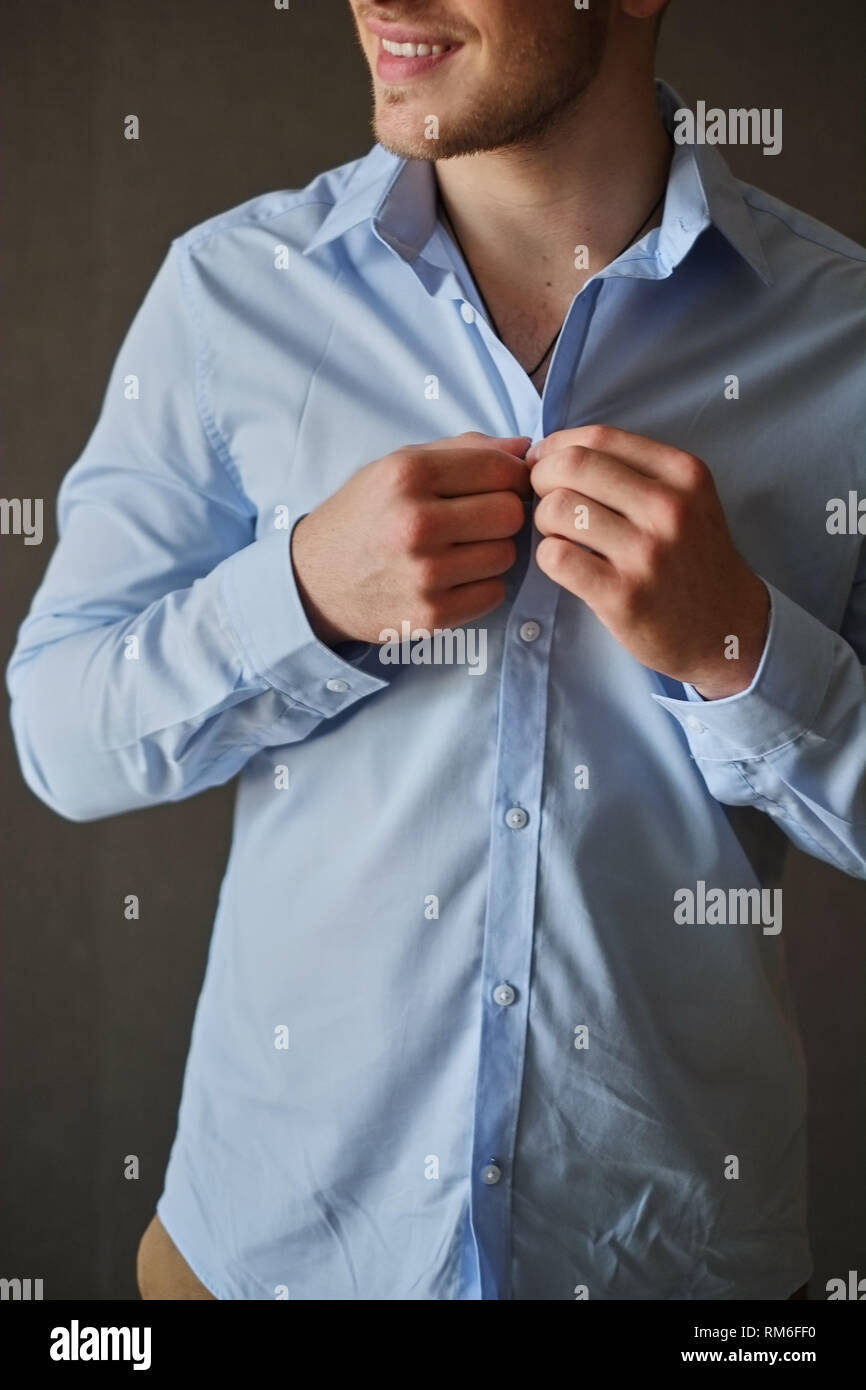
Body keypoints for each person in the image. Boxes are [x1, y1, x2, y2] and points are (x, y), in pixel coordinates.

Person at [7, 0, 865, 1301]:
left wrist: (737, 649)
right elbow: (62, 736)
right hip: (266, 1264)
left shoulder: (841, 339)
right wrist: (303, 598)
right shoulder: (232, 291)